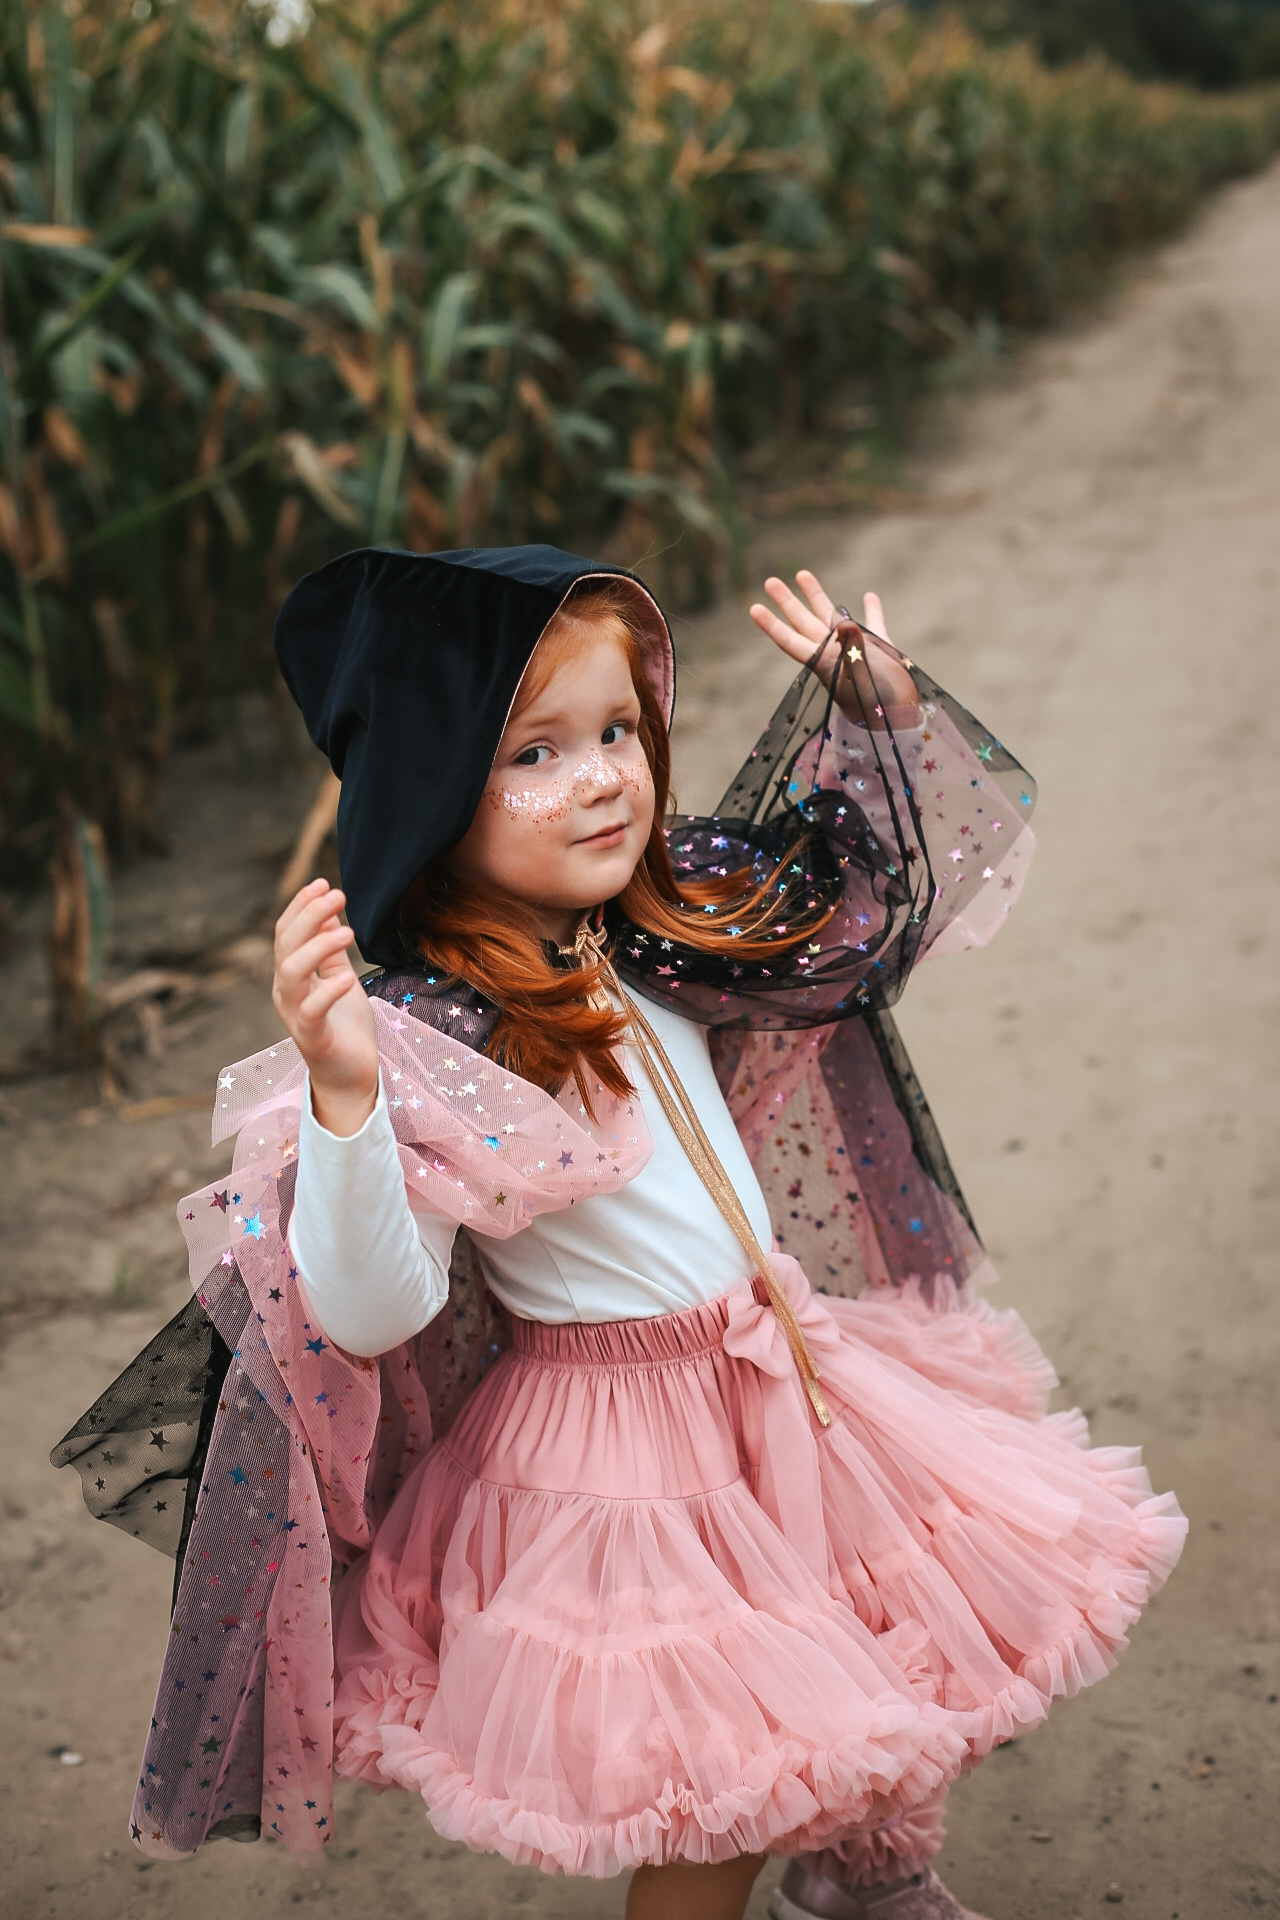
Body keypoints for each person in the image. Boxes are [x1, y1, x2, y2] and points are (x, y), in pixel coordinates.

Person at [53, 546, 1184, 1919]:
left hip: (785, 1371)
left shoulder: (662, 924)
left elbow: (863, 903)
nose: (600, 777)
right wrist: (346, 1098)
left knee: (883, 1623)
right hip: (627, 1457)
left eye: (617, 732)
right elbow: (368, 1311)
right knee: (718, 1781)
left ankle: (861, 1876)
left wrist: (883, 719)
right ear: (431, 783)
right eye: (533, 752)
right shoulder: (438, 1036)